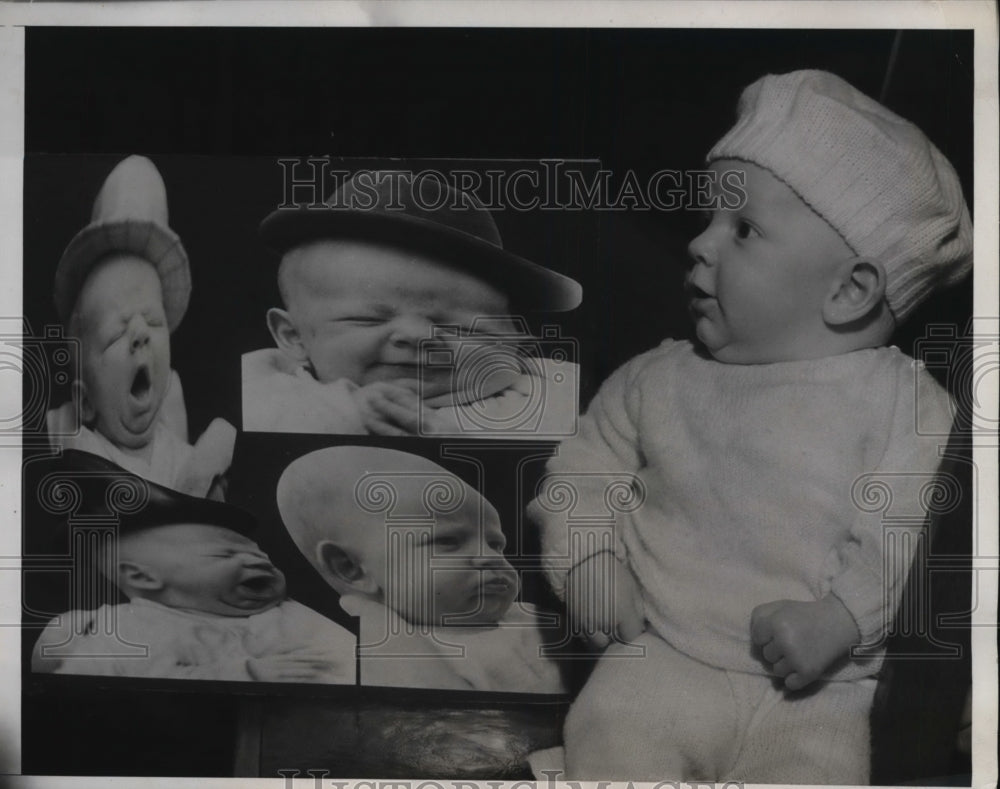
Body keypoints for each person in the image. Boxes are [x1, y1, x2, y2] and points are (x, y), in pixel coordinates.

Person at [528, 70, 971, 782]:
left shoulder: (902, 402)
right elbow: (582, 472)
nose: (701, 245)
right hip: (663, 656)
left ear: (850, 288)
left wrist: (843, 617)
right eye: (707, 221)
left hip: (822, 692)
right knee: (612, 731)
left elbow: (913, 526)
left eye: (743, 229)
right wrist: (587, 558)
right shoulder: (658, 377)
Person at [242, 169, 581, 438]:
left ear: (518, 343)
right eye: (367, 319)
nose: (418, 335)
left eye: (460, 327)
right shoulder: (271, 389)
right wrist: (349, 415)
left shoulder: (552, 395)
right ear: (293, 337)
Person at [32, 451, 356, 684]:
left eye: (258, 552)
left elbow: (348, 657)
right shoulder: (135, 630)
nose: (255, 559)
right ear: (141, 576)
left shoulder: (286, 615)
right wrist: (244, 674)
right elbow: (96, 681)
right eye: (223, 555)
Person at [276, 445, 566, 694]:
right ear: (351, 568)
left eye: (495, 544)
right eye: (448, 541)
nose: (489, 557)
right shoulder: (381, 654)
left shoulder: (530, 617)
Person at [47, 156, 235, 498]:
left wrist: (210, 468)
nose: (140, 333)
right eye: (116, 334)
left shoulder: (187, 456)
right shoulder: (83, 449)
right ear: (85, 401)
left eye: (153, 321)